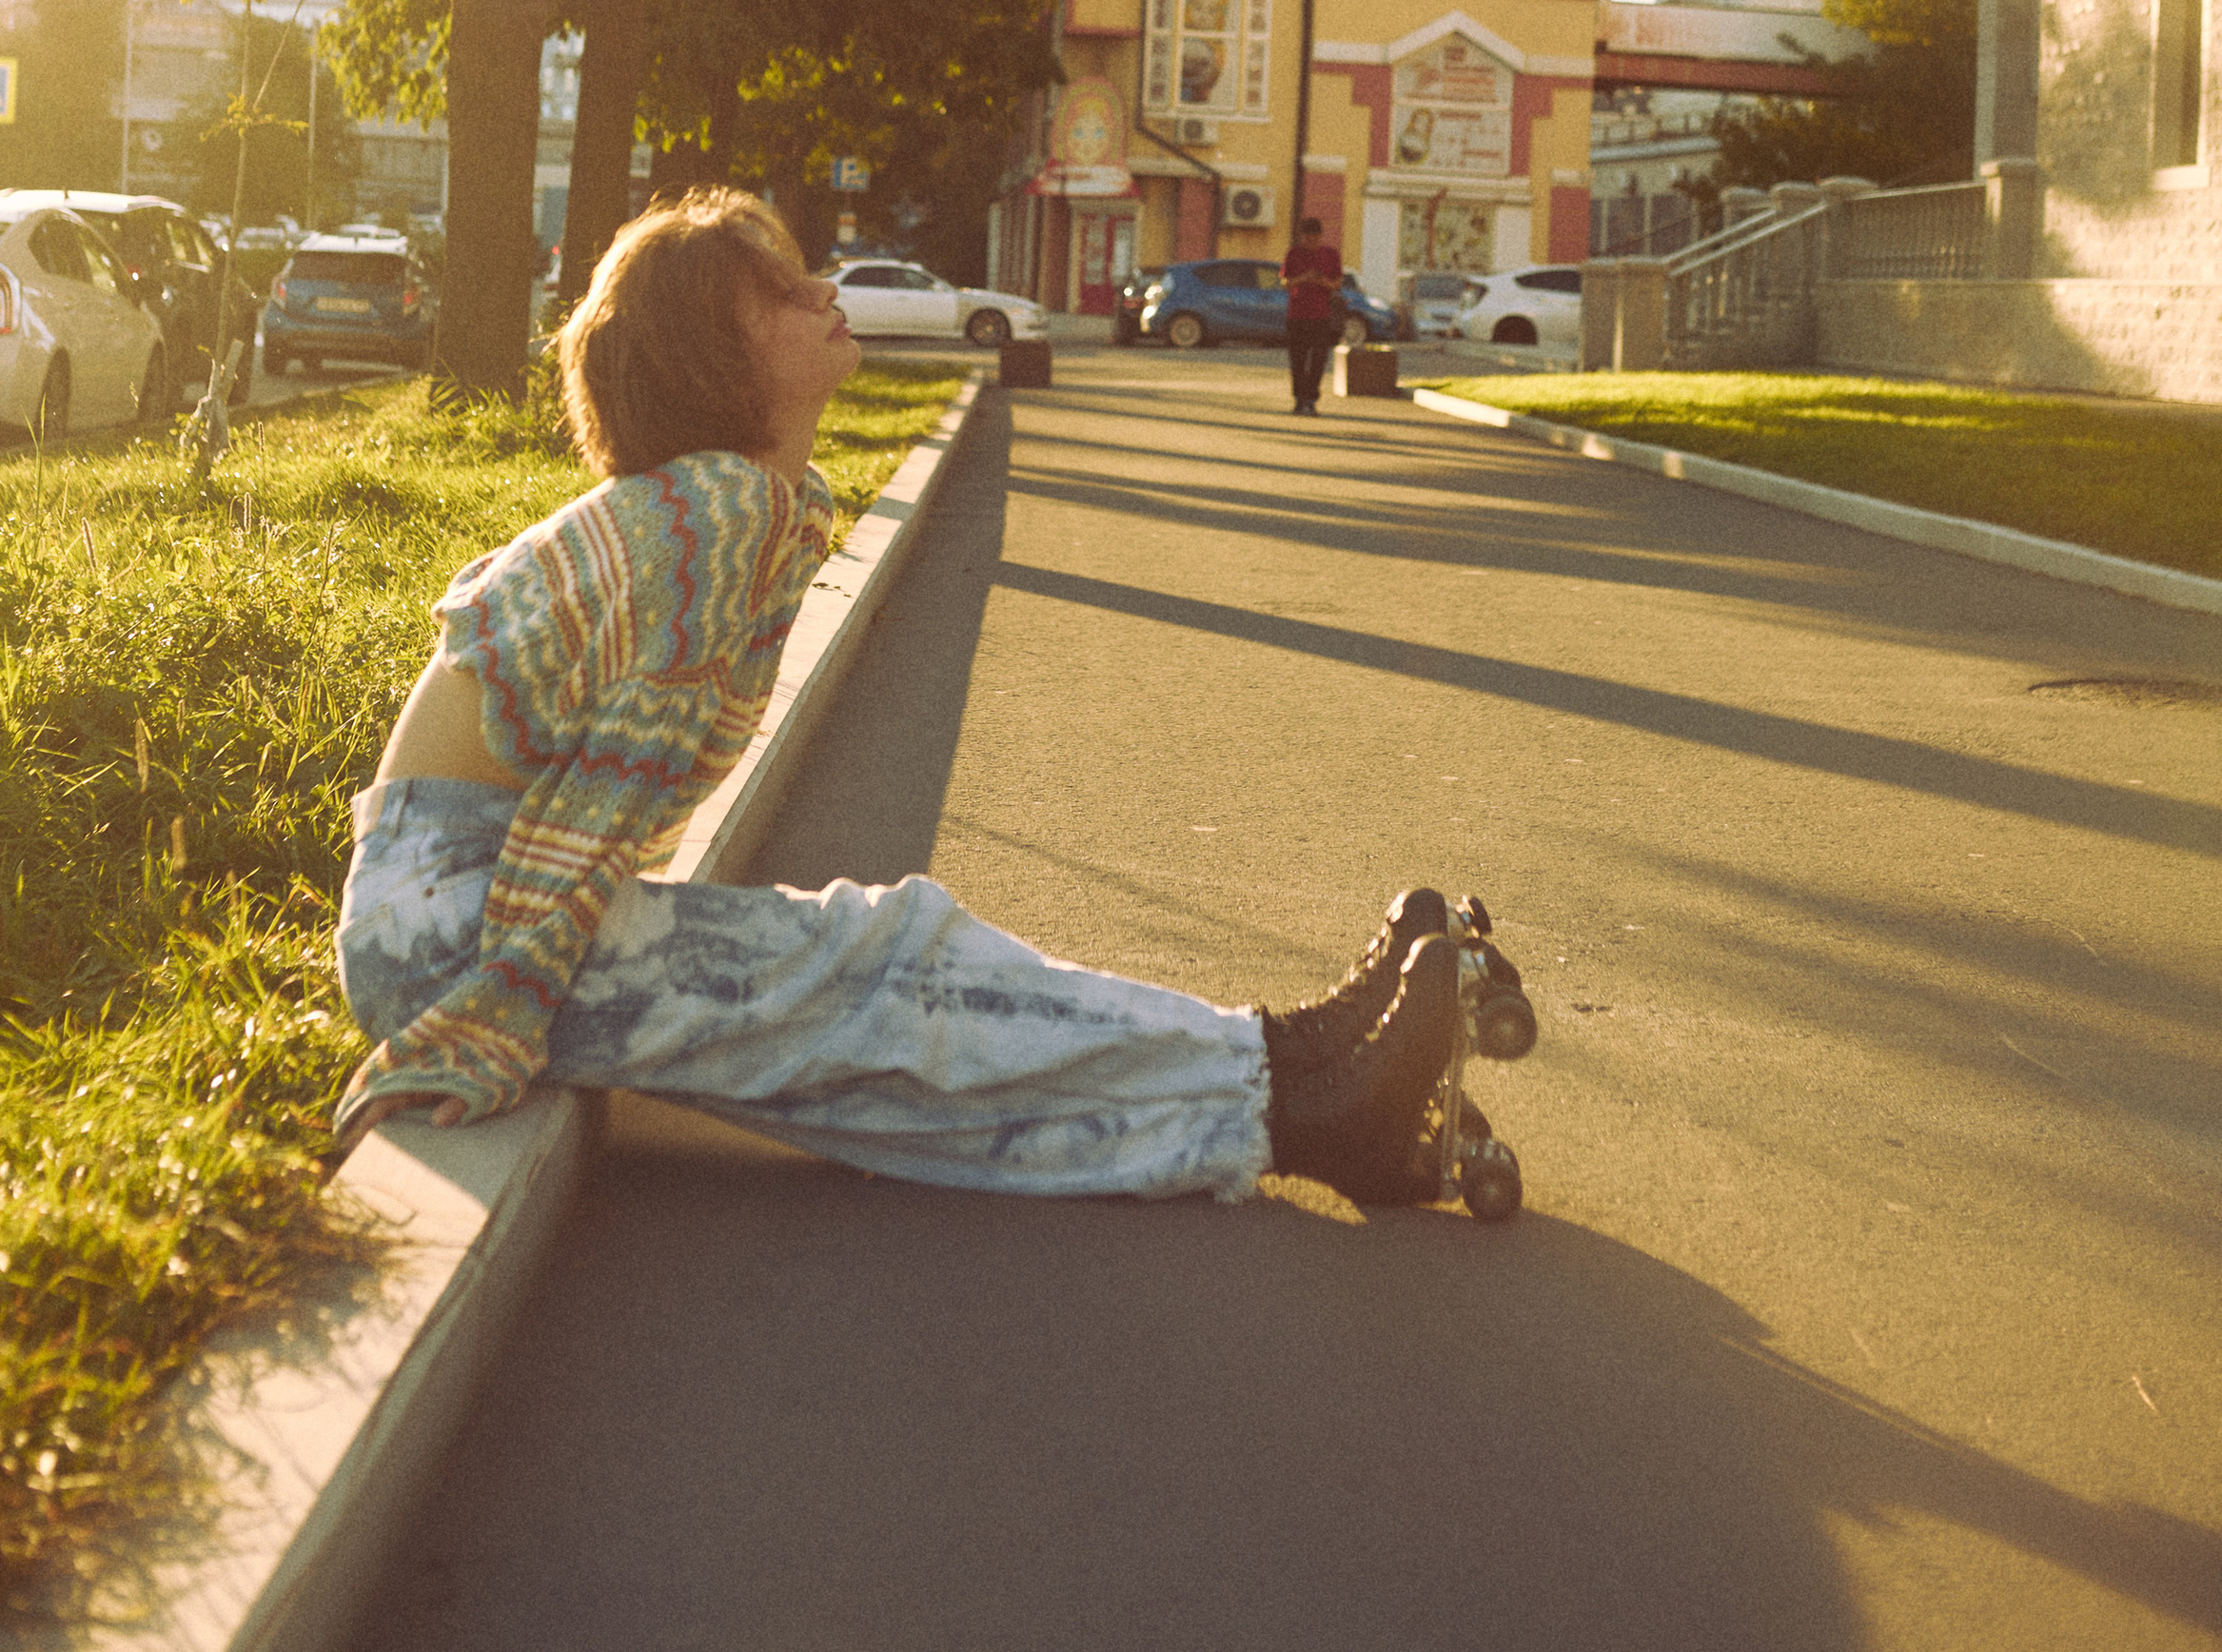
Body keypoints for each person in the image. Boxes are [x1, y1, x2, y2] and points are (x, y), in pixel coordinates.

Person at [332, 188, 1466, 1209]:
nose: (823, 290)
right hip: (452, 928)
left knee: (878, 981)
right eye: (777, 294)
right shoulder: (713, 518)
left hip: (462, 905)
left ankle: (1288, 1078)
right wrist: (484, 1021)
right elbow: (589, 818)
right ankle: (1287, 1089)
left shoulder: (754, 501)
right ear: (705, 357)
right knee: (879, 980)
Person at [1281, 211, 1346, 415]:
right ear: (1302, 237)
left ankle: (1311, 399)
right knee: (1298, 360)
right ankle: (1299, 399)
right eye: (1307, 238)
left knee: (1318, 360)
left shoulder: (1330, 254)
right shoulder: (1294, 254)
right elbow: (1285, 283)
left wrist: (1321, 282)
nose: (1311, 241)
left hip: (1321, 315)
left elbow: (1337, 283)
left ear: (1320, 236)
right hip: (1297, 315)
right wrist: (1304, 278)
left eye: (1315, 237)